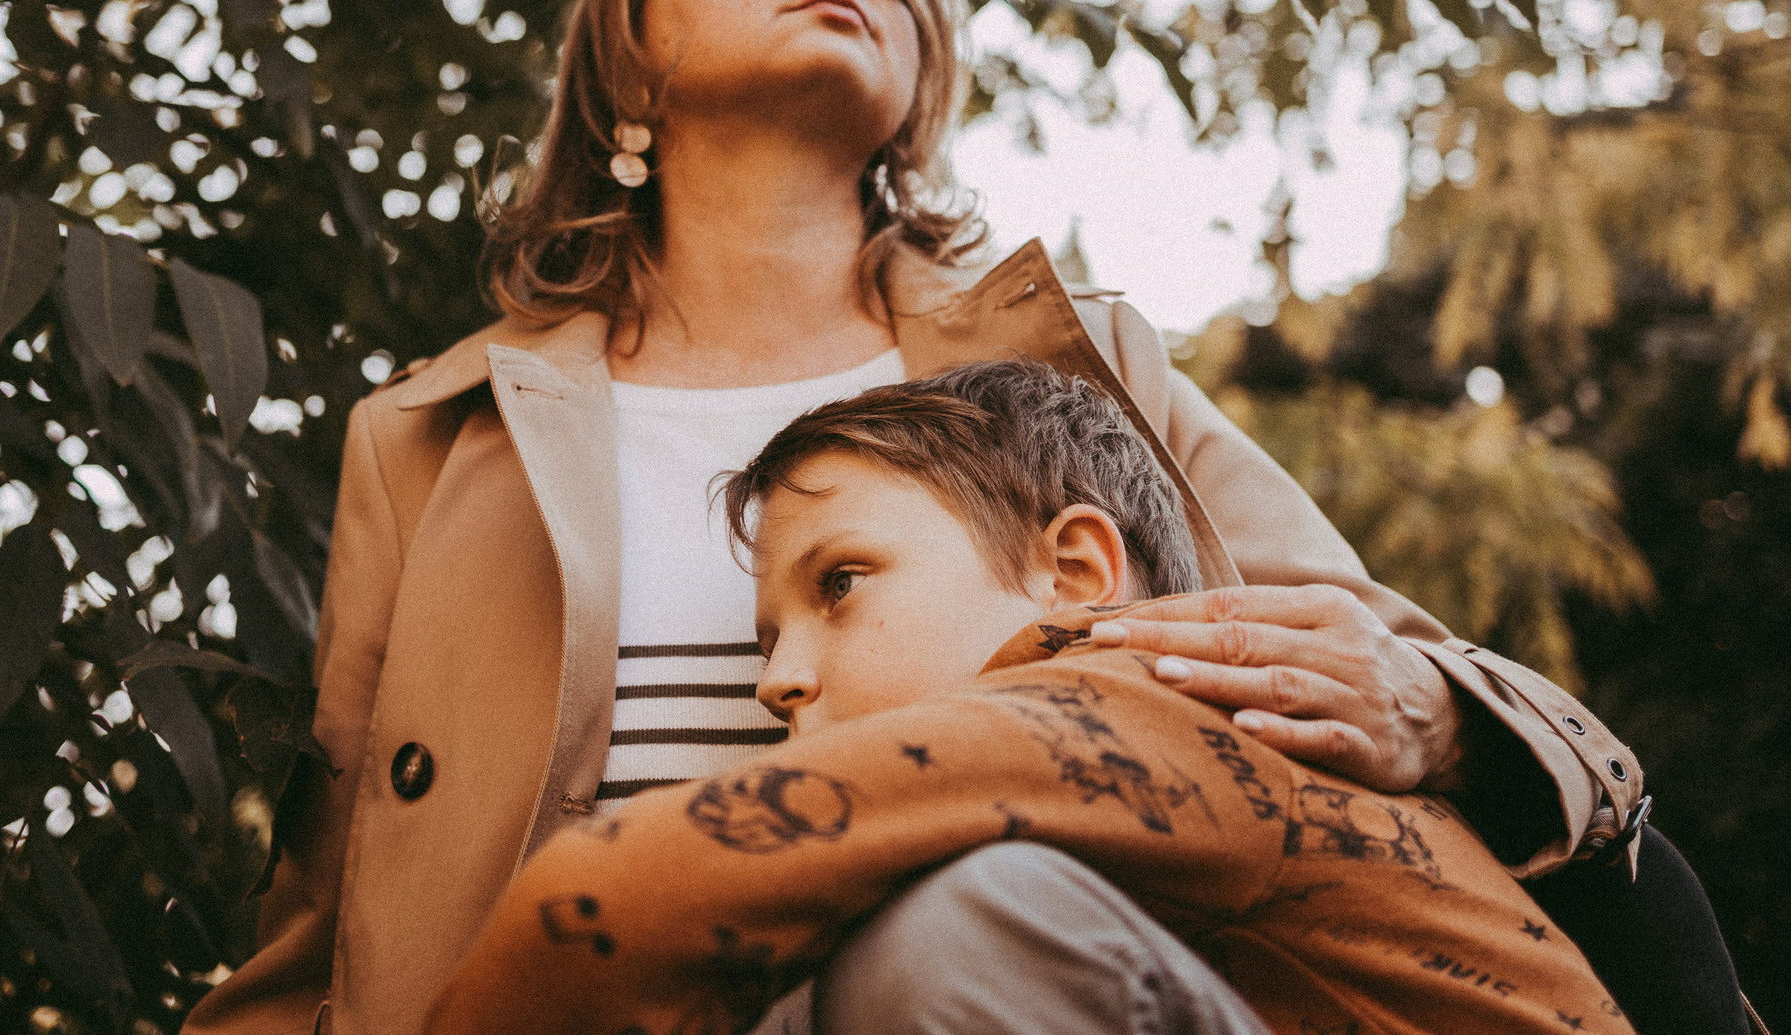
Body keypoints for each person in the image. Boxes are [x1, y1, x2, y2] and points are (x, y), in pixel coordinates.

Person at [186, 0, 1678, 1035]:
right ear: (626, 47)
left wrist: (1433, 706)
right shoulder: (430, 437)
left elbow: (1358, 655)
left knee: (949, 939)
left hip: (1010, 995)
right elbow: (318, 937)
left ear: (917, 87)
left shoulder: (1082, 364)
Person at [426, 358, 1630, 1035]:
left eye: (840, 583)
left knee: (964, 931)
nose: (778, 677)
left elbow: (602, 894)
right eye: (769, 635)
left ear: (1075, 572)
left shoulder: (1157, 696)